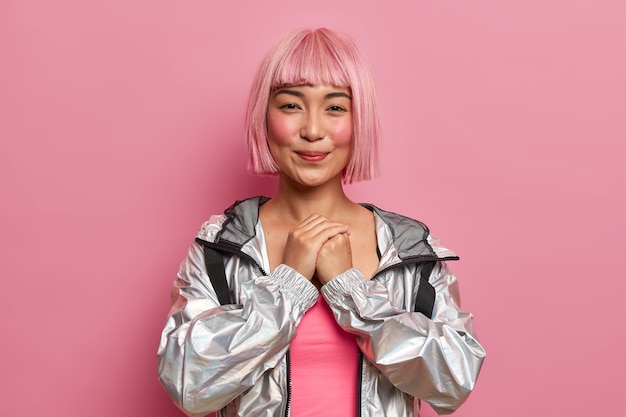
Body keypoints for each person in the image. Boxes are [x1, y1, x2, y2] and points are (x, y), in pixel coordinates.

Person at [157, 28, 485, 417]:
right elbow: (187, 385)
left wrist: (351, 291)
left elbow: (454, 382)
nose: (312, 131)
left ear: (359, 119)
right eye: (291, 105)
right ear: (264, 116)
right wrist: (288, 285)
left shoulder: (408, 247)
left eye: (335, 108)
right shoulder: (222, 246)